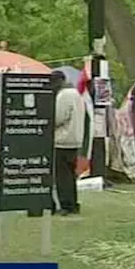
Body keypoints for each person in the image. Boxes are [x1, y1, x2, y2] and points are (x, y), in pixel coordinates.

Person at [51, 69, 86, 216]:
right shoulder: (76, 94)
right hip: (75, 139)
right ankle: (73, 203)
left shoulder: (64, 95)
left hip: (62, 140)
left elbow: (58, 118)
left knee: (62, 175)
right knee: (71, 175)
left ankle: (66, 205)